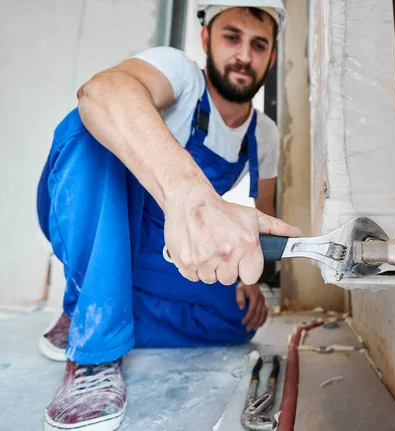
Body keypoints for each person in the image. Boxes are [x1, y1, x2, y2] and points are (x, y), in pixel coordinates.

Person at [36, 1, 299, 430]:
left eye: (258, 45)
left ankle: (93, 305)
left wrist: (252, 279)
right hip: (104, 218)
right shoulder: (178, 74)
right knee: (87, 129)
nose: (244, 56)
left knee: (236, 321)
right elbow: (101, 92)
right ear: (207, 39)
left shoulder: (263, 134)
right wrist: (188, 196)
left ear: (270, 55)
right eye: (232, 37)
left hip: (164, 251)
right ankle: (93, 353)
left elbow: (263, 212)